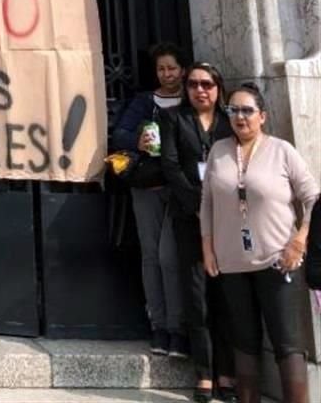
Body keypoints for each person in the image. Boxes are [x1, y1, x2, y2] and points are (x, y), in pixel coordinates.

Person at [201, 83, 318, 403]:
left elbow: (313, 198)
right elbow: (207, 203)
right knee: (244, 341)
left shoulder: (282, 150)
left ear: (262, 116)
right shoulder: (218, 151)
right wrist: (208, 247)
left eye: (247, 110)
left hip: (279, 260)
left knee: (287, 342)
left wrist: (300, 239)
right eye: (233, 110)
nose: (239, 117)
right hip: (231, 262)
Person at [160, 62, 236, 403]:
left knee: (228, 297)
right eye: (193, 84)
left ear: (218, 88)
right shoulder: (175, 120)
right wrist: (196, 203)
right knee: (197, 295)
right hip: (190, 217)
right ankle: (204, 372)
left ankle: (227, 371)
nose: (199, 90)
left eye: (206, 84)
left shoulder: (230, 122)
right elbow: (171, 166)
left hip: (228, 219)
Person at [112, 43, 186, 356]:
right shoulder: (144, 102)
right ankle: (159, 326)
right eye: (161, 69)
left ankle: (178, 327)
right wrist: (137, 140)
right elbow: (120, 134)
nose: (167, 74)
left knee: (170, 258)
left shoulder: (193, 99)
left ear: (183, 69)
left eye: (171, 68)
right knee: (151, 256)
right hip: (148, 187)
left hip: (182, 191)